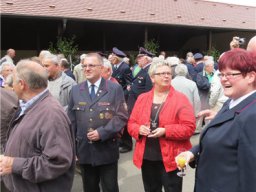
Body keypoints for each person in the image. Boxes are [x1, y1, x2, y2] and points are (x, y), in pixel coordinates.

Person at [176, 48, 256, 192]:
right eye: (222, 74)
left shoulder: (252, 117)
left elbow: (251, 178)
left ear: (250, 76)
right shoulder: (231, 102)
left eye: (231, 74)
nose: (224, 79)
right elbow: (224, 144)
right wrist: (193, 152)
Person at [0, 59, 75, 192]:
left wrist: (14, 164)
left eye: (14, 80)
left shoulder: (51, 114)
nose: (11, 84)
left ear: (22, 84)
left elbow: (58, 162)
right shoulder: (29, 104)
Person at [128, 60, 196, 192]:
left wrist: (166, 131)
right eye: (162, 73)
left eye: (169, 73)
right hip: (147, 157)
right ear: (152, 78)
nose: (166, 76)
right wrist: (138, 129)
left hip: (172, 158)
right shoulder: (143, 98)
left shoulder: (180, 99)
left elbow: (189, 127)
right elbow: (131, 123)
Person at [68, 53, 128, 192]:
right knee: (89, 188)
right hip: (84, 150)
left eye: (91, 65)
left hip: (106, 148)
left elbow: (121, 116)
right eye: (84, 66)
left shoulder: (114, 89)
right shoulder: (76, 90)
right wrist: (72, 148)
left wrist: (103, 132)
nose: (87, 69)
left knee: (110, 187)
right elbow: (71, 121)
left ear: (101, 68)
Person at [109, 47, 133, 153]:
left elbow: (129, 84)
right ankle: (121, 141)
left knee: (124, 121)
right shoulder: (114, 67)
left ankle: (128, 144)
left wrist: (124, 98)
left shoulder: (125, 67)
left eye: (113, 56)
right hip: (115, 98)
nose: (111, 58)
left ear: (118, 58)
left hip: (123, 98)